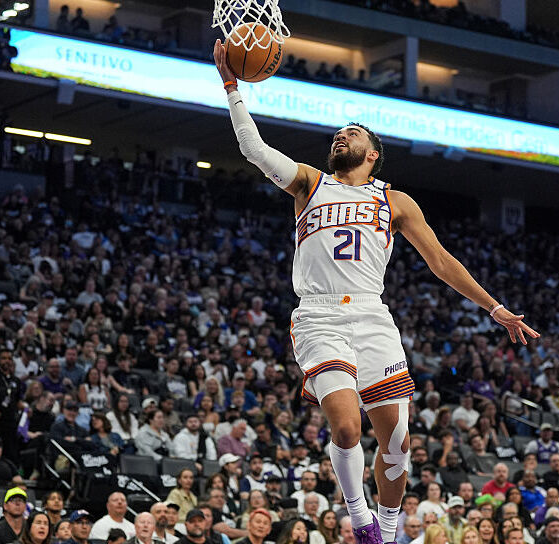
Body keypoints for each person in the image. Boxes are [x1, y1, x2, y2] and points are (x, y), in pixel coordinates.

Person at [212, 40, 539, 544]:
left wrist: (495, 308)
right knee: (345, 429)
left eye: (353, 134)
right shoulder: (309, 184)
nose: (341, 137)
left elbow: (441, 261)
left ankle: (387, 530)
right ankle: (360, 515)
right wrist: (232, 85)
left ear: (374, 154)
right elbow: (253, 149)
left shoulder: (394, 200)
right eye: (339, 134)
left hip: (372, 317)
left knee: (399, 441)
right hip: (319, 315)